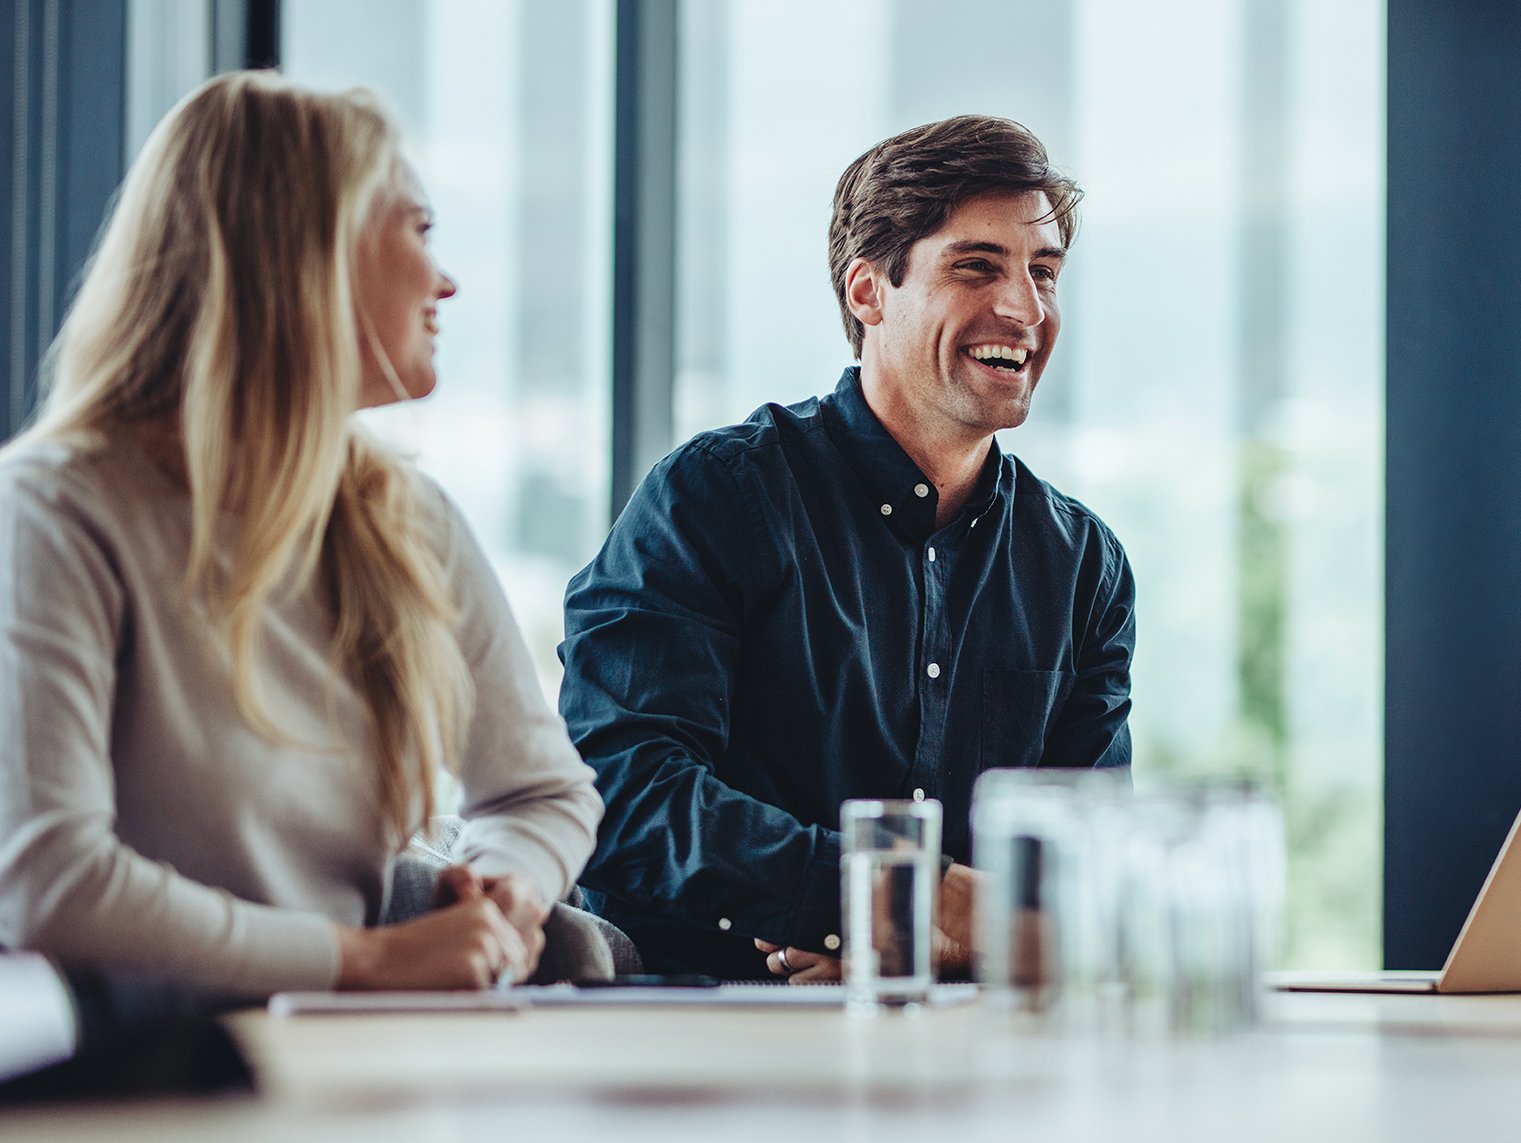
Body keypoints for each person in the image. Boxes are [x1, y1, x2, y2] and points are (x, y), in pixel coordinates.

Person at [0, 71, 602, 1000]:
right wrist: (364, 960)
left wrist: (503, 886)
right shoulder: (56, 510)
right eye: (419, 227)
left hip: (347, 1055)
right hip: (139, 1083)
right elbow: (53, 880)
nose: (446, 279)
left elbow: (540, 792)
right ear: (313, 251)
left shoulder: (406, 518)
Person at [559, 114, 1134, 982]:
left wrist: (913, 946)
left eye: (1043, 272)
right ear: (868, 292)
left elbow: (1084, 876)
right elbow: (619, 791)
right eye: (976, 265)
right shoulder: (715, 496)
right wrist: (880, 902)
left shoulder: (1083, 567)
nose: (1024, 308)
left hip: (964, 1066)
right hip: (693, 1046)